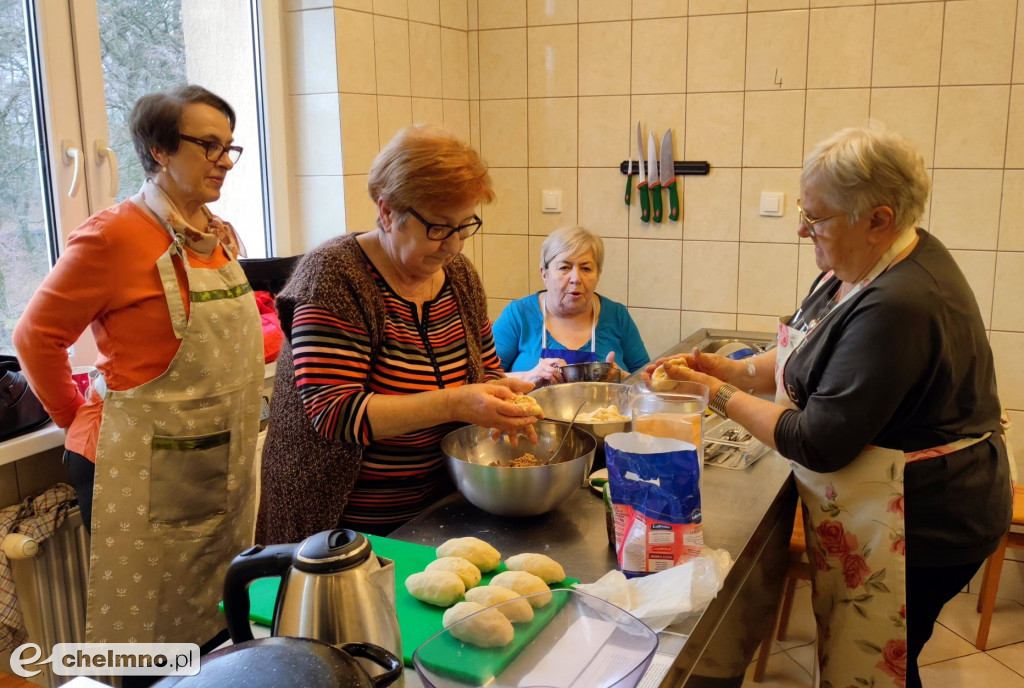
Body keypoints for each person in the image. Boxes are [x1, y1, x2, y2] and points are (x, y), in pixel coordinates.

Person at [651, 125, 1012, 688]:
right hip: (886, 505)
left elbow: (816, 439)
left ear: (878, 219)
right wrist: (732, 369)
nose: (801, 228)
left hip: (926, 520)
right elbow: (807, 344)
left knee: (882, 670)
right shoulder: (866, 263)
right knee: (866, 663)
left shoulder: (901, 301)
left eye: (815, 218)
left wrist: (711, 395)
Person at [13, 85, 263, 654]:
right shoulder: (114, 235)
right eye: (208, 145)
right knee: (148, 633)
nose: (224, 162)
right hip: (133, 464)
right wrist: (77, 417)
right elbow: (34, 336)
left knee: (212, 620)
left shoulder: (210, 233)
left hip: (208, 464)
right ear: (159, 150)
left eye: (230, 148)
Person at [256, 124, 540, 544]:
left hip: (433, 514)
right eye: (439, 227)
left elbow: (485, 366)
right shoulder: (334, 278)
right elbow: (335, 413)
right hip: (338, 530)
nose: (454, 245)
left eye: (464, 226)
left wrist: (501, 395)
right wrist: (455, 403)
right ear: (388, 212)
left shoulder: (459, 276)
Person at [492, 226, 649, 386]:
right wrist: (528, 377)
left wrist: (624, 380)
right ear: (544, 274)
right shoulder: (519, 315)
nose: (576, 278)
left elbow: (648, 383)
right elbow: (482, 379)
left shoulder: (617, 316)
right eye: (564, 267)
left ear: (598, 275)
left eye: (586, 268)